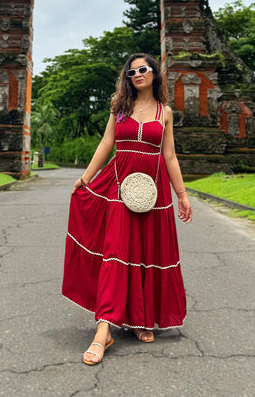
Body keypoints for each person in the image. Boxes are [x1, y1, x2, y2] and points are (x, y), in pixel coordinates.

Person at [62, 53, 192, 365]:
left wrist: (182, 195)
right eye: (131, 71)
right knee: (116, 254)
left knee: (146, 253)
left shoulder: (165, 113)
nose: (137, 74)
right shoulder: (120, 109)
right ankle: (103, 330)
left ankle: (141, 320)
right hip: (120, 188)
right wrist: (85, 178)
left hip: (154, 192)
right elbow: (106, 144)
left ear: (154, 74)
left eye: (143, 69)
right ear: (127, 77)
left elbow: (170, 156)